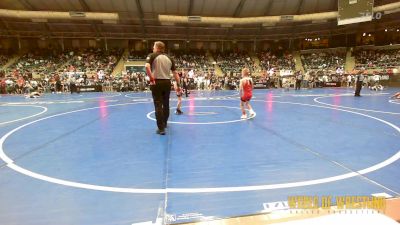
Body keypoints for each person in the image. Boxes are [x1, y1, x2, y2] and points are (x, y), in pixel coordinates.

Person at [145, 41, 181, 135]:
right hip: (167, 83)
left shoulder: (152, 55)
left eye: (153, 46)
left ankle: (161, 129)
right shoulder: (170, 58)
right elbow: (175, 73)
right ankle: (164, 123)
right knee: (166, 104)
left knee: (158, 105)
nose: (152, 48)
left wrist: (151, 78)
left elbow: (146, 66)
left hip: (157, 82)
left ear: (157, 47)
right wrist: (178, 85)